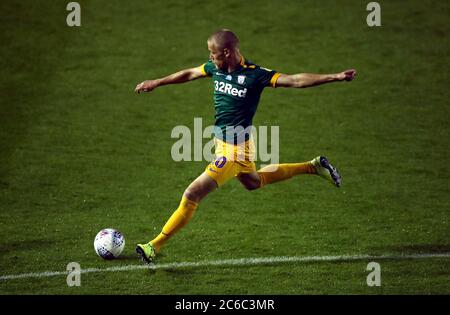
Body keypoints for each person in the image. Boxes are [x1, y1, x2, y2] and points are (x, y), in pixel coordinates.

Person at [134, 29, 356, 263]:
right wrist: (156, 82)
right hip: (226, 144)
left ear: (227, 52)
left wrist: (336, 76)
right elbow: (189, 73)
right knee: (253, 182)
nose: (210, 58)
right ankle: (313, 166)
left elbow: (296, 80)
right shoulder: (215, 69)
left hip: (235, 151)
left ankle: (153, 246)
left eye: (213, 53)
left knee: (192, 194)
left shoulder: (255, 75)